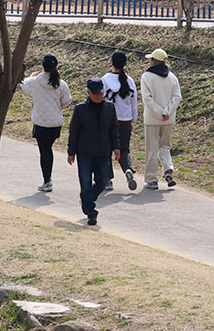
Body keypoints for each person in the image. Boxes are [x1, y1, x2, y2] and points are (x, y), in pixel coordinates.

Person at [67, 78, 121, 225]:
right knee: (85, 183)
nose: (99, 96)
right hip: (84, 153)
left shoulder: (110, 108)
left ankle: (87, 197)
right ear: (88, 92)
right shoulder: (80, 109)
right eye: (95, 93)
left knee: (103, 181)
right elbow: (74, 131)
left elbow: (114, 129)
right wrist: (71, 152)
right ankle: (91, 212)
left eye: (101, 93)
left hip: (103, 152)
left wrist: (116, 147)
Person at [24, 54, 72, 192]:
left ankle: (47, 181)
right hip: (55, 123)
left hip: (41, 123)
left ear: (43, 66)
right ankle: (47, 180)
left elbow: (23, 85)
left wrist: (31, 76)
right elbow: (67, 101)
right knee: (48, 150)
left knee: (44, 152)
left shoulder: (35, 82)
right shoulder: (61, 84)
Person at [141, 47, 183, 190]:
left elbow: (147, 99)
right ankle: (167, 169)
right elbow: (177, 97)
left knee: (152, 149)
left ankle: (152, 179)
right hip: (168, 119)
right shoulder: (172, 77)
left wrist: (160, 113)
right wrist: (167, 112)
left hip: (152, 119)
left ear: (153, 61)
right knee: (165, 146)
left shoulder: (146, 77)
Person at [103, 50, 140, 191]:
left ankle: (108, 180)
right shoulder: (129, 81)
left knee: (106, 149)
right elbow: (134, 104)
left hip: (109, 120)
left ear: (111, 63)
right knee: (124, 149)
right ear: (125, 64)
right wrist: (132, 121)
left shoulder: (105, 79)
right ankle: (127, 170)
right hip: (125, 119)